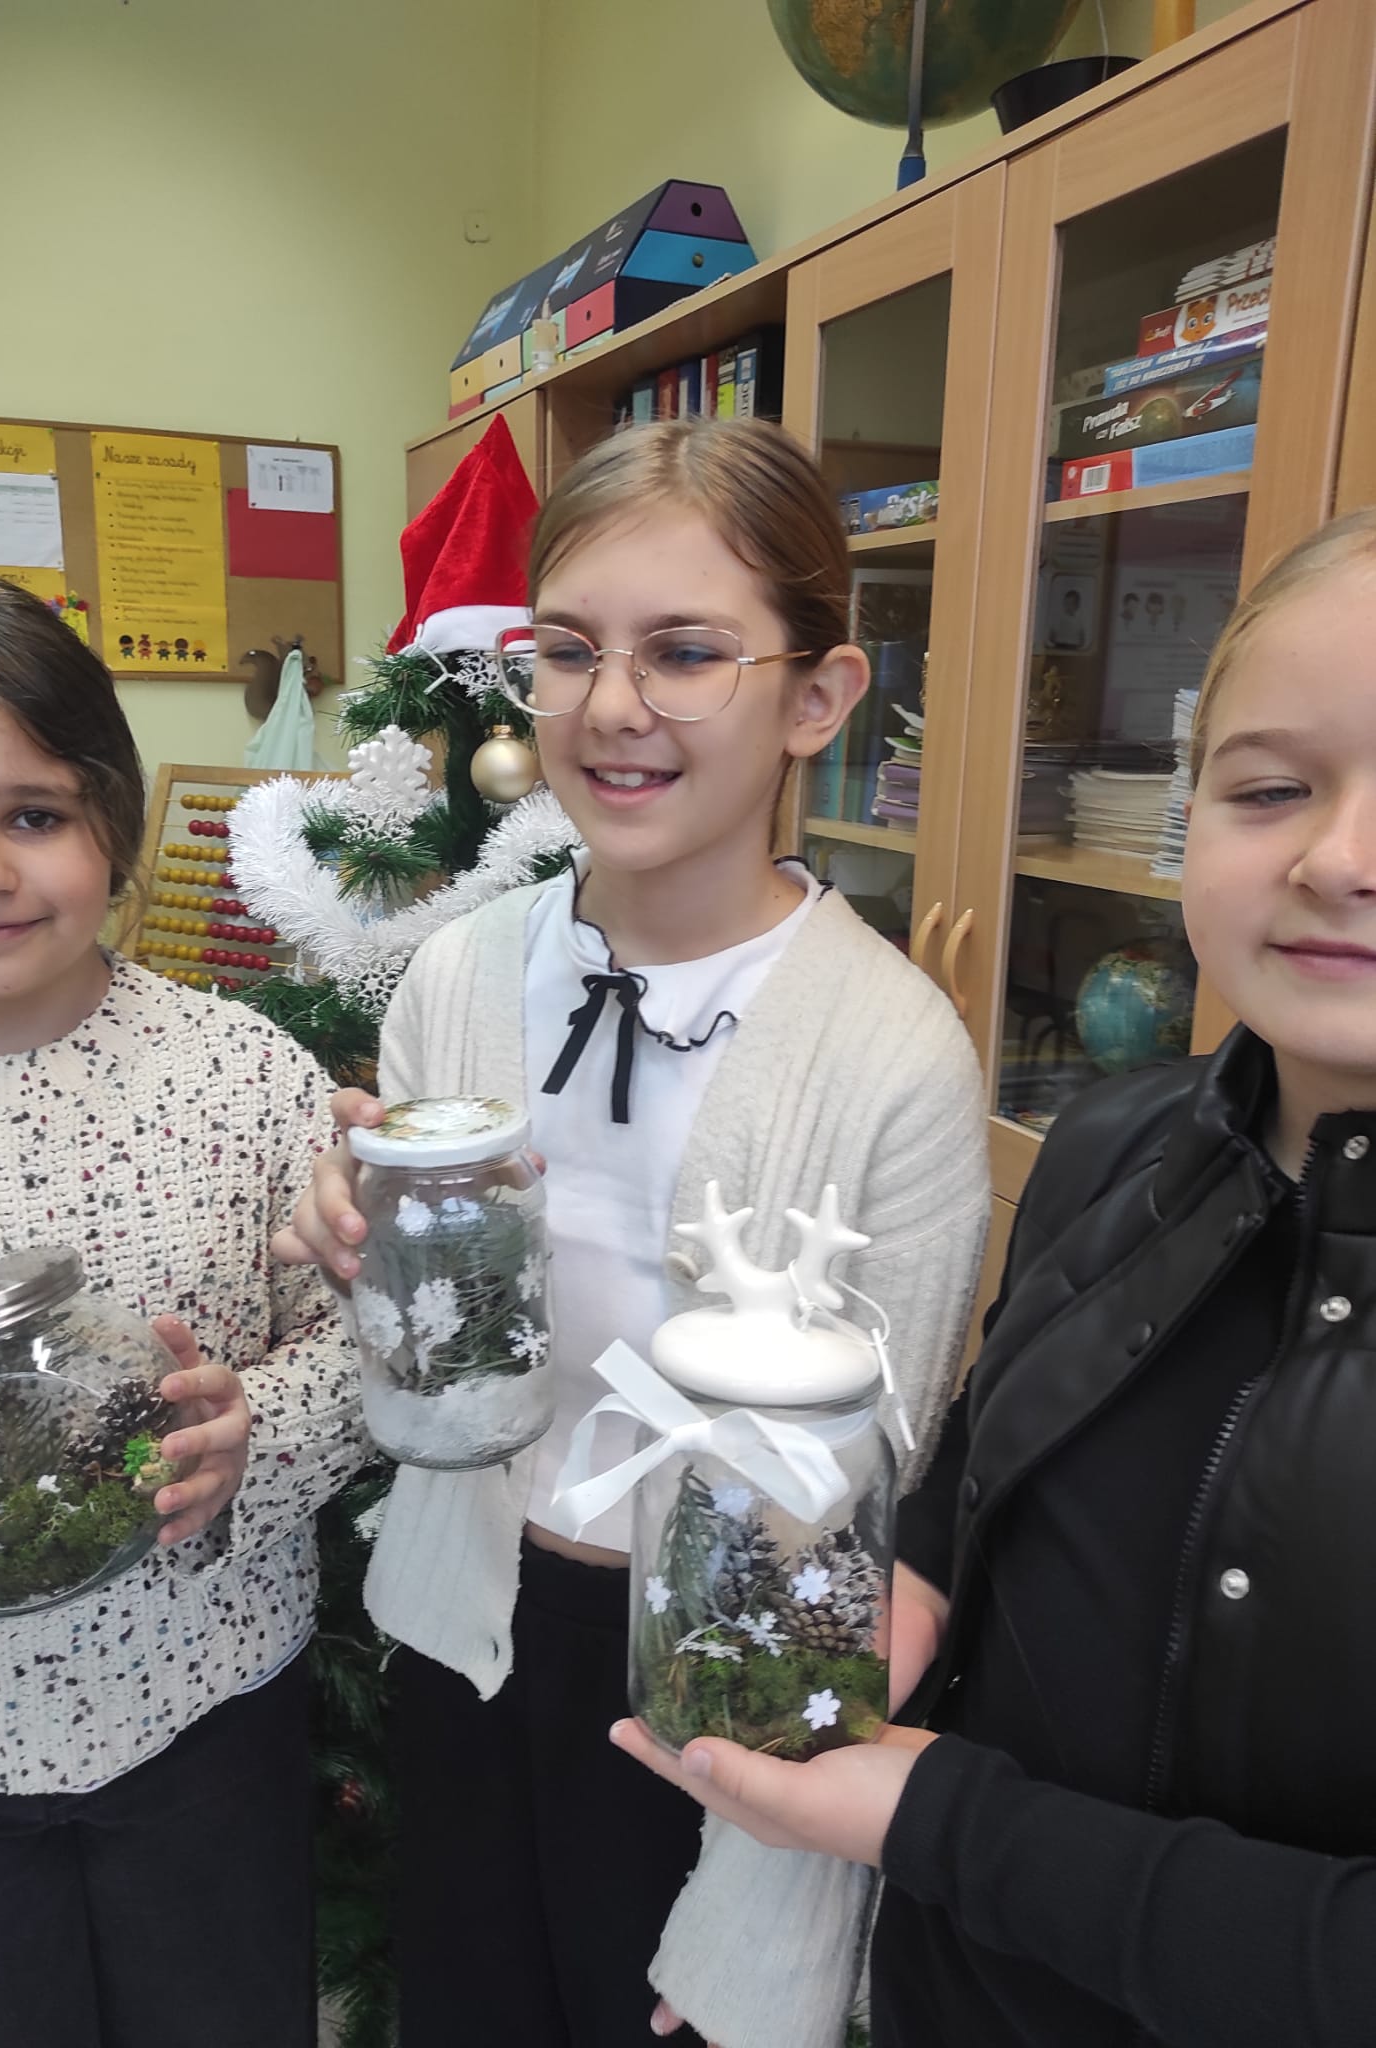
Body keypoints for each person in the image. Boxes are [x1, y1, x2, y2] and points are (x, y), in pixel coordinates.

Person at [613, 507, 1376, 2048]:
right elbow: (981, 1474)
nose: (1339, 859)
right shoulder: (1114, 1144)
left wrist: (939, 1822)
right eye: (1271, 789)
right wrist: (878, 1624)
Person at [276, 417, 990, 2048]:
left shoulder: (890, 1054)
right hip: (470, 1618)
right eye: (569, 651)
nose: (612, 706)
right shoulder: (463, 976)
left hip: (715, 1680)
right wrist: (362, 1236)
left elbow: (868, 1498)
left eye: (684, 652)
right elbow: (434, 1337)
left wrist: (765, 1894)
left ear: (816, 697)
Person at [0, 578, 364, 2048]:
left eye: (35, 813)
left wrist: (262, 1429)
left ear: (114, 825)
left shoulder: (241, 1074)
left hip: (204, 1721)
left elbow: (364, 1344)